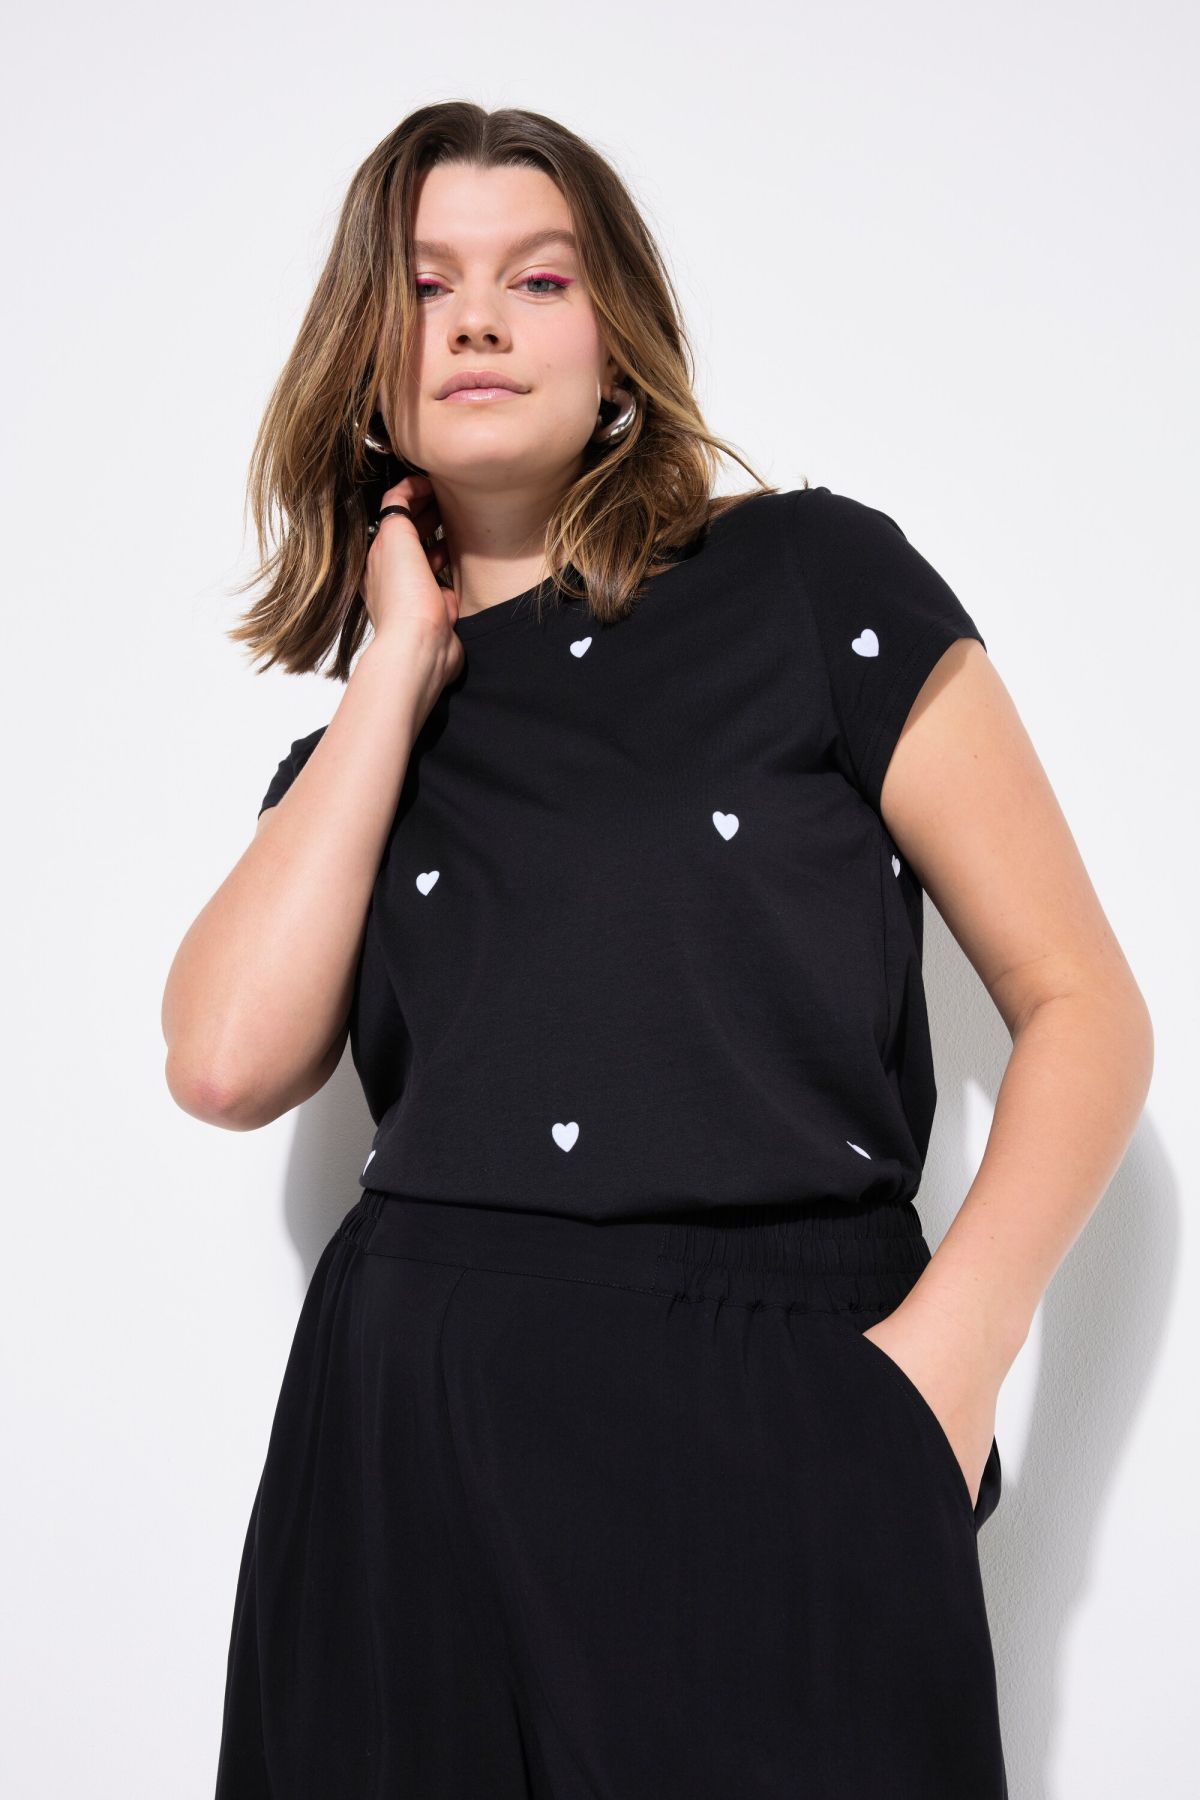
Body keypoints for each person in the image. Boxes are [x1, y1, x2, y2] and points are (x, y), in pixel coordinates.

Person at [161, 102, 1154, 1800]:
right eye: (426, 285)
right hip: (414, 1451)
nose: (478, 318)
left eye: (537, 279)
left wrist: (948, 1370)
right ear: (367, 365)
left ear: (614, 342)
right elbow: (223, 1061)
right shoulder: (359, 755)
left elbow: (1084, 1004)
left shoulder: (812, 581)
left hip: (785, 1407)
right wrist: (395, 665)